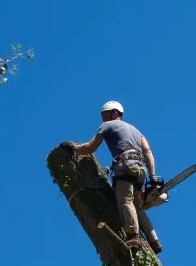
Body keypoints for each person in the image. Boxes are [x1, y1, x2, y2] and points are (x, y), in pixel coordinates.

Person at [63, 101, 164, 253]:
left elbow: (91, 147)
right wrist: (153, 176)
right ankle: (154, 241)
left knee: (125, 201)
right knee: (136, 207)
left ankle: (133, 236)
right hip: (140, 169)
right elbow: (148, 152)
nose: (103, 119)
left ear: (115, 113)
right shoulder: (137, 132)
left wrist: (74, 148)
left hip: (125, 166)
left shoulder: (108, 126)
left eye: (105, 115)